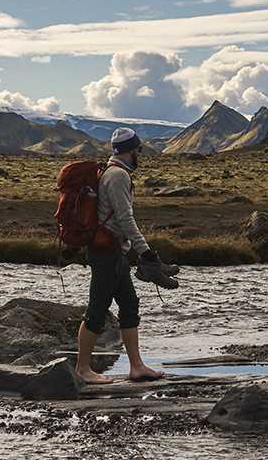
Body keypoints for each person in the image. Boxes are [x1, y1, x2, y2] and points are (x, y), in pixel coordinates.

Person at [75, 127, 177, 384]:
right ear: (131, 150)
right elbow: (124, 218)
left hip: (113, 253)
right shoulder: (119, 175)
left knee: (129, 306)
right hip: (106, 253)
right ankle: (82, 370)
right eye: (139, 150)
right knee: (97, 311)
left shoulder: (109, 172)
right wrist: (146, 252)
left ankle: (136, 367)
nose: (140, 154)